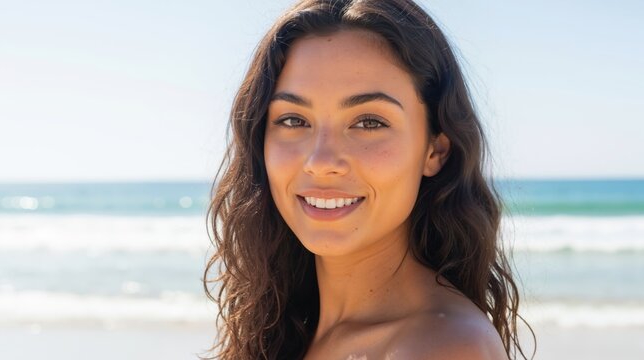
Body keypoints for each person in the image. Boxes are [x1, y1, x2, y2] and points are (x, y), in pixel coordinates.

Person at [205, 0, 533, 359]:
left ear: (435, 150)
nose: (321, 162)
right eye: (294, 120)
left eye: (369, 122)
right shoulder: (285, 328)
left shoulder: (445, 348)